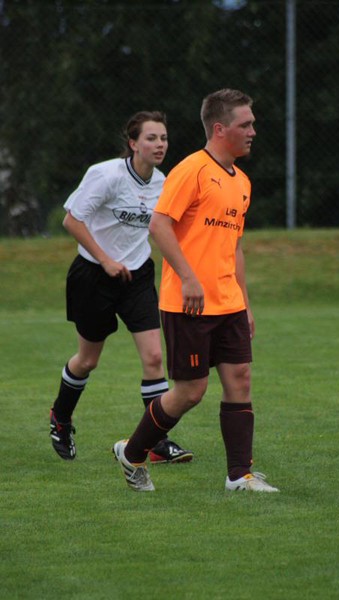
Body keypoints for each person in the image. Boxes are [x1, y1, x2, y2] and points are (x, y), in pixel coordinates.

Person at [112, 89, 279, 493]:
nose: (253, 131)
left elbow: (234, 247)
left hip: (228, 302)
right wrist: (188, 278)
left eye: (252, 124)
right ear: (220, 129)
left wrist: (245, 303)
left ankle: (239, 475)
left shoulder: (242, 182)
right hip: (188, 302)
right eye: (245, 124)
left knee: (240, 379)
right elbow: (159, 226)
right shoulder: (192, 170)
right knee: (190, 392)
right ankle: (132, 453)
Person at [49, 111, 193, 465]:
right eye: (151, 138)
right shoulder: (106, 175)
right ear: (133, 143)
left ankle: (156, 441)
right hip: (93, 276)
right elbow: (72, 220)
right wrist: (106, 260)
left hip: (138, 277)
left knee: (154, 357)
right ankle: (60, 418)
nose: (160, 145)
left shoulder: (163, 184)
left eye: (163, 138)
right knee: (88, 360)